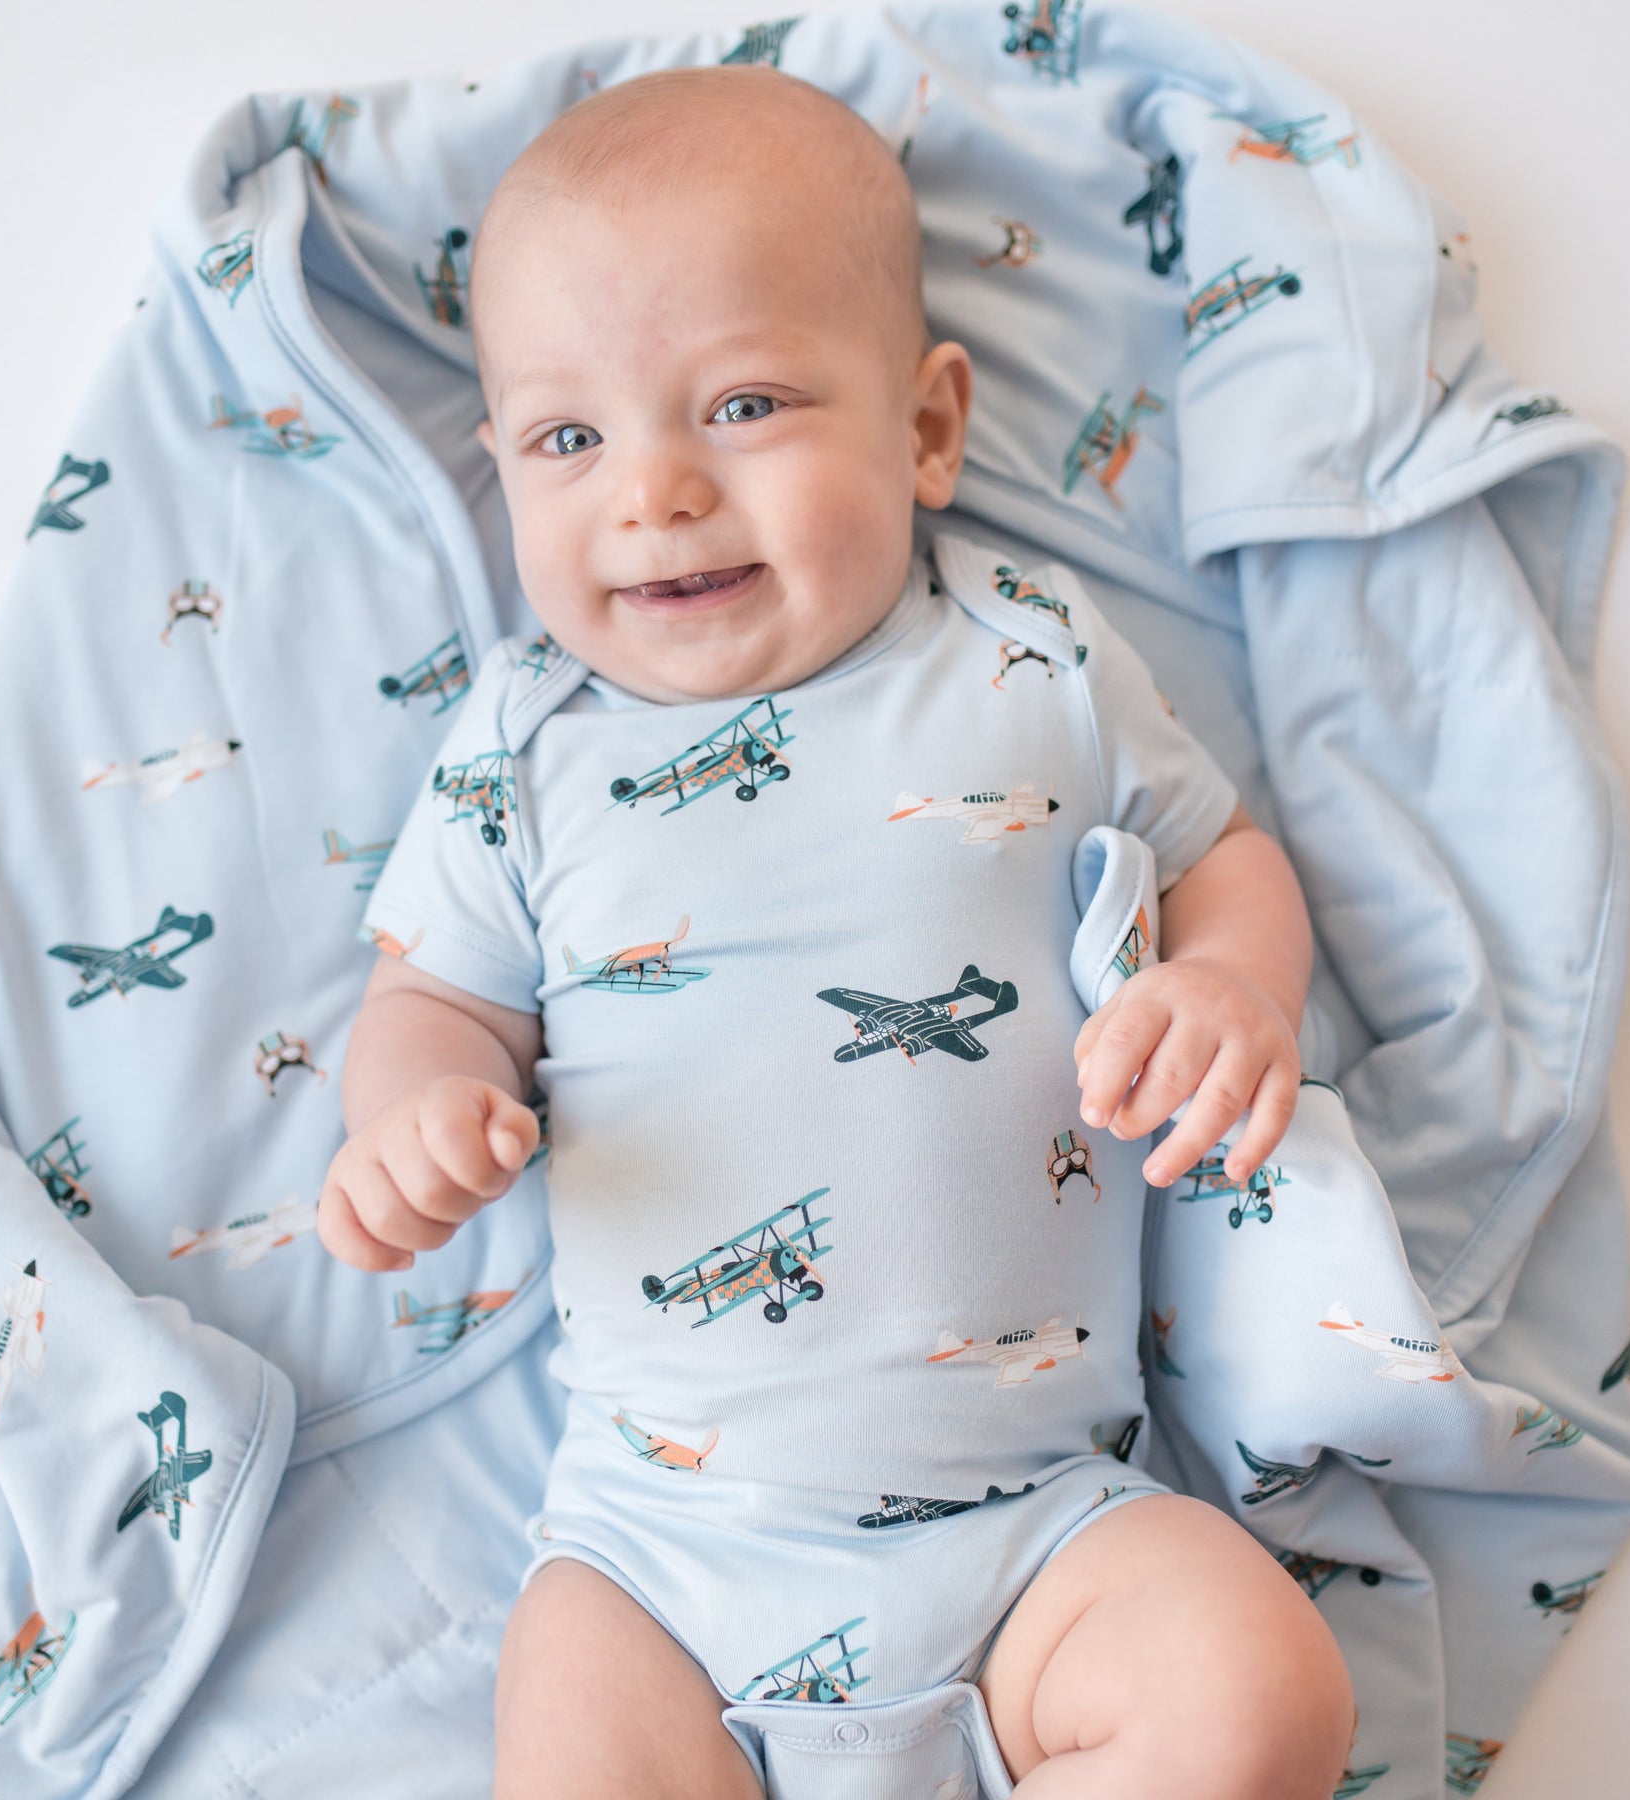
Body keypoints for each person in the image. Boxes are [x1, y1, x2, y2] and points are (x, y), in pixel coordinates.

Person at [318, 62, 1354, 1800]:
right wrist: (409, 1114)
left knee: (1264, 1696)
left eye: (742, 405)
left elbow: (1224, 850)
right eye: (570, 440)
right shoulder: (522, 746)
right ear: (500, 473)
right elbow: (431, 996)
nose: (652, 492)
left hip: (1042, 1527)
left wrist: (1232, 985)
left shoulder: (1032, 656)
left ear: (928, 428)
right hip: (659, 1557)